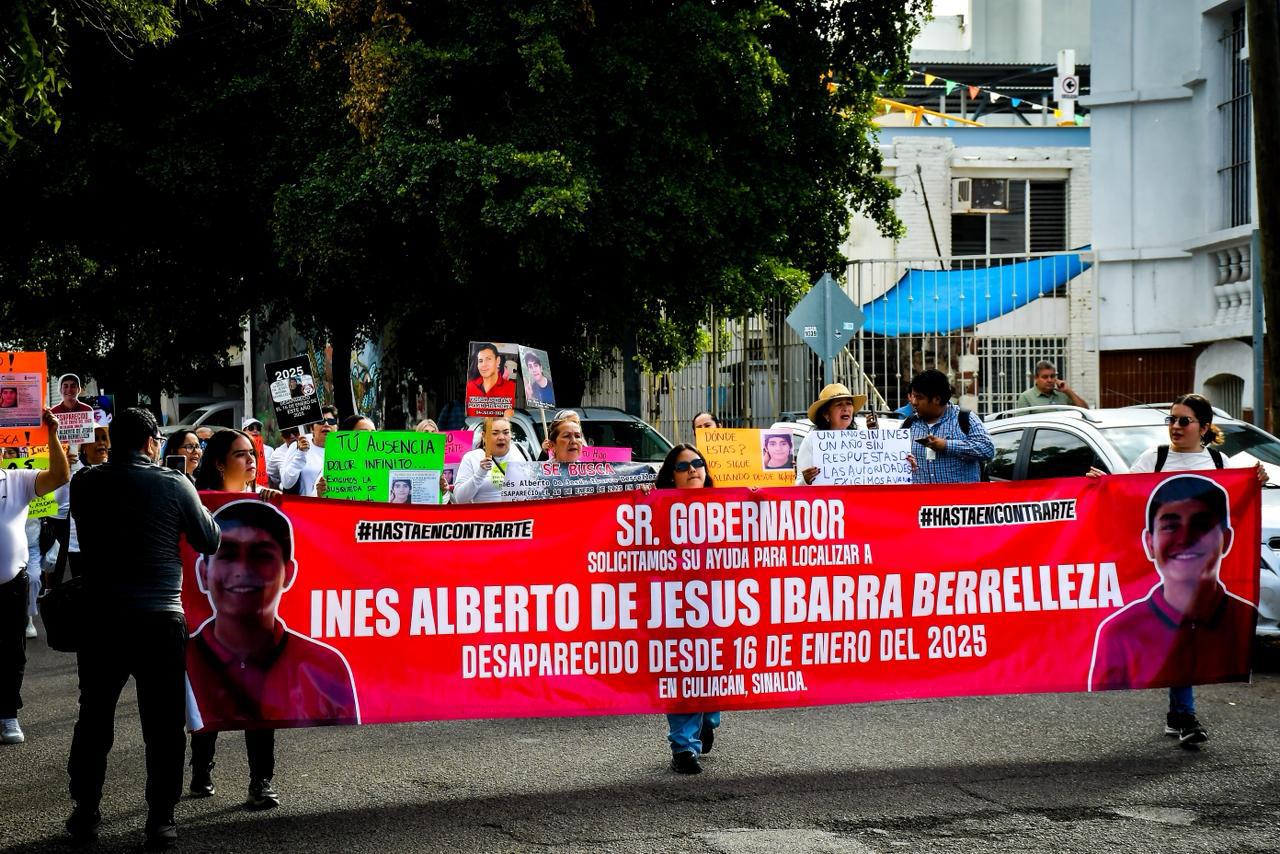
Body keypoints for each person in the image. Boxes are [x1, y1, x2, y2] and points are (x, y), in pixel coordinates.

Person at [67, 407, 221, 849]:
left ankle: (85, 810)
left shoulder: (86, 481)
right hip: (160, 617)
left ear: (112, 440)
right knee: (163, 722)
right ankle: (161, 819)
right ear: (153, 442)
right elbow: (209, 540)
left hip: (101, 617)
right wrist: (187, 486)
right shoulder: (174, 484)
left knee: (94, 717)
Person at [1086, 393, 1267, 748]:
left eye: (1184, 421)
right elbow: (1125, 495)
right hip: (1159, 571)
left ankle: (1179, 713)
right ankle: (1183, 714)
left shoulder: (1219, 462)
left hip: (1206, 573)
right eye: (1171, 420)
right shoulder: (1154, 458)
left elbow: (1239, 499)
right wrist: (1101, 484)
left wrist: (1255, 480)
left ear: (1204, 427)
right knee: (1182, 630)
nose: (1176, 427)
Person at [186, 500, 359, 729]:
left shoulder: (325, 667)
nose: (242, 571)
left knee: (263, 746)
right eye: (227, 555)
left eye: (262, 556)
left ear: (288, 573)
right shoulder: (182, 660)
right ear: (203, 573)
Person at [188, 431, 285, 808]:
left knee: (259, 699)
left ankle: (261, 781)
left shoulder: (266, 499)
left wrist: (282, 506)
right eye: (241, 454)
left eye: (253, 454)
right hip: (206, 619)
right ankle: (201, 769)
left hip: (259, 622)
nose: (251, 461)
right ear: (218, 462)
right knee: (207, 693)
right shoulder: (195, 501)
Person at [2, 410, 69, 745]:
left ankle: (7, 715)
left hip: (9, 584)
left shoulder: (15, 479)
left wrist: (52, 434)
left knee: (12, 652)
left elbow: (58, 476)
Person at [654, 443, 719, 774]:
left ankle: (708, 715)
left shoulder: (729, 506)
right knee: (681, 672)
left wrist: (759, 502)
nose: (693, 469)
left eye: (698, 463)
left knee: (713, 671)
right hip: (673, 607)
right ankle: (683, 747)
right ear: (671, 476)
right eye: (683, 466)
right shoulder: (652, 510)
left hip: (718, 607)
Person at [905, 370, 994, 485]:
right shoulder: (909, 424)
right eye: (913, 396)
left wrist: (947, 445)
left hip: (960, 501)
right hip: (921, 501)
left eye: (919, 397)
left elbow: (988, 449)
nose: (913, 402)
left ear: (937, 399)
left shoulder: (964, 418)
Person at [796, 384, 877, 485]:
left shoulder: (862, 438)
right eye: (839, 404)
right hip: (827, 500)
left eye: (848, 403)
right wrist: (806, 480)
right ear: (826, 414)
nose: (845, 408)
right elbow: (798, 483)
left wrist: (875, 438)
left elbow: (876, 472)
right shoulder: (812, 440)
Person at [453, 417, 528, 504]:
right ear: (484, 436)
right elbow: (459, 499)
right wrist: (480, 474)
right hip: (485, 516)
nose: (501, 437)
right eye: (495, 433)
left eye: (506, 432)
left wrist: (545, 455)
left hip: (518, 515)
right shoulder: (471, 458)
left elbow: (534, 484)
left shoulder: (520, 451)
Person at [279, 405, 338, 496]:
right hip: (303, 508)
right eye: (321, 421)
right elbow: (287, 483)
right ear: (311, 428)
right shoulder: (298, 446)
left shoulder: (344, 450)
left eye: (331, 421)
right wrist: (301, 454)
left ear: (336, 428)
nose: (326, 424)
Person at [1014, 360, 1088, 410]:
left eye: (1052, 376)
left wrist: (1069, 391)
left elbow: (1085, 410)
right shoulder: (1026, 397)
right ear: (1036, 378)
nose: (1049, 380)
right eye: (1045, 377)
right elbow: (1022, 423)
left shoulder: (1063, 394)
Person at [466, 343, 517, 408]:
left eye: (488, 359)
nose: (484, 364)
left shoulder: (511, 387)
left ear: (498, 361)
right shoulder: (470, 386)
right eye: (480, 361)